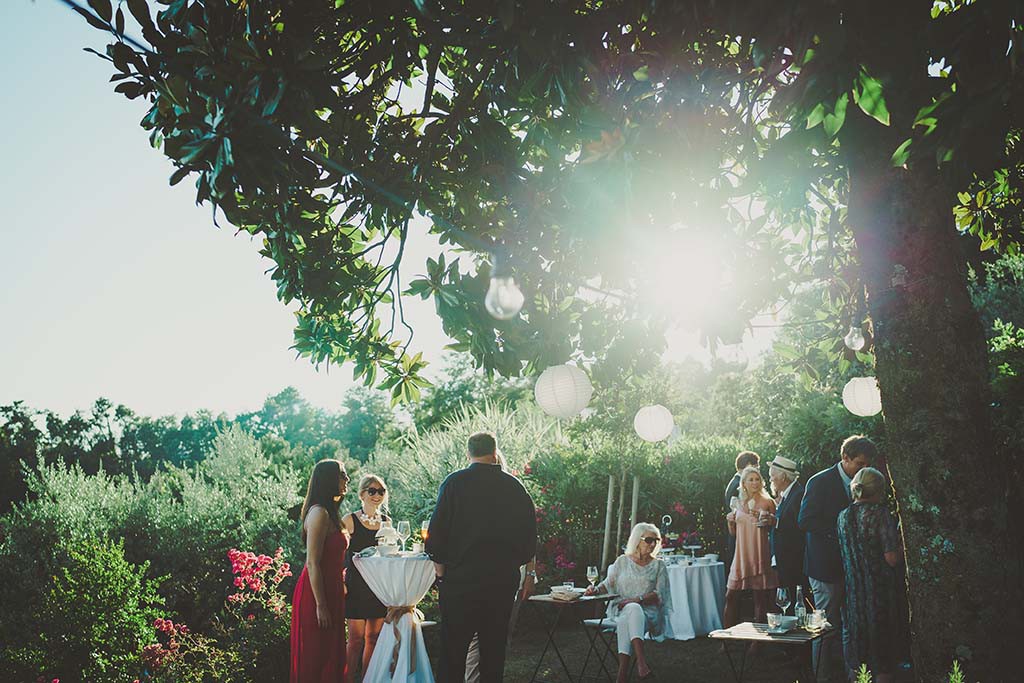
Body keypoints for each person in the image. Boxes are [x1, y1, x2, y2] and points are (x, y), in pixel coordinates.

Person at [426, 432, 537, 683]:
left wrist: (441, 570)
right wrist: (511, 563)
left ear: (468, 454)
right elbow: (529, 538)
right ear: (495, 453)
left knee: (453, 652)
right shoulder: (515, 487)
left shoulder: (453, 483)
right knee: (494, 652)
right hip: (500, 582)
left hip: (460, 581)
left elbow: (436, 533)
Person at [798, 435, 877, 680]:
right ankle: (822, 677)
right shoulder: (819, 482)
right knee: (823, 628)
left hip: (852, 569)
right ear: (845, 457)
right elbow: (805, 520)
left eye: (867, 465)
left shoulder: (865, 482)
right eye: (860, 464)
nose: (864, 470)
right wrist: (840, 531)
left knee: (851, 627)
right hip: (825, 569)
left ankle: (852, 676)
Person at [465, 452, 536, 683]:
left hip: (510, 573)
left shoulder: (514, 492)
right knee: (477, 634)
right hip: (482, 574)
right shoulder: (470, 492)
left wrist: (530, 575)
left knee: (501, 633)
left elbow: (529, 537)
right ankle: (473, 678)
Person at [838, 467, 903, 683]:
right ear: (880, 490)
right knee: (883, 656)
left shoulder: (843, 516)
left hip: (854, 594)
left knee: (860, 657)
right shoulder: (879, 514)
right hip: (879, 593)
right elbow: (891, 558)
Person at [585, 523, 671, 682]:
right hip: (621, 610)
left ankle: (623, 674)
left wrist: (636, 600)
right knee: (629, 613)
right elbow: (607, 584)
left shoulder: (659, 565)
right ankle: (641, 665)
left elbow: (659, 595)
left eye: (656, 540)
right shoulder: (622, 561)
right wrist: (595, 590)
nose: (653, 544)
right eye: (649, 540)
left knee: (632, 609)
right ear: (637, 540)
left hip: (647, 614)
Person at [290, 459, 350, 683]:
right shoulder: (319, 514)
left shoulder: (331, 512)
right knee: (316, 660)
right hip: (316, 595)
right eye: (342, 474)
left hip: (332, 590)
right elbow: (312, 563)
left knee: (331, 657)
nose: (347, 479)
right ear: (329, 479)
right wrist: (321, 605)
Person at [341, 474, 390, 681]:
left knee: (374, 638)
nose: (377, 495)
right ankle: (347, 679)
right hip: (356, 587)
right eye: (372, 491)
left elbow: (389, 555)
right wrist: (340, 582)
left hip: (378, 587)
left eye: (381, 491)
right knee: (355, 640)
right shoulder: (349, 520)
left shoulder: (387, 522)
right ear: (362, 494)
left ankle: (367, 679)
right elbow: (337, 555)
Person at [724, 466, 779, 636]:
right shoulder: (738, 503)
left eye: (757, 479)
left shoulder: (768, 502)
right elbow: (734, 533)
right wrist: (730, 522)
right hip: (741, 555)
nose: (755, 482)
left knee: (759, 600)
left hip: (760, 553)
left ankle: (757, 643)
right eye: (751, 480)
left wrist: (770, 520)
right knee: (730, 597)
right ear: (744, 483)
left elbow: (776, 528)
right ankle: (726, 638)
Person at [768, 456, 806, 610]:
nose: (771, 479)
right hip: (784, 558)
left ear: (783, 476)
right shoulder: (787, 494)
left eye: (772, 476)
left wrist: (774, 521)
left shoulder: (798, 494)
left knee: (793, 599)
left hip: (793, 559)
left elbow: (800, 525)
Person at [724, 451, 761, 572]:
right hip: (740, 538)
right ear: (748, 465)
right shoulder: (737, 486)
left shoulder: (736, 482)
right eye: (756, 466)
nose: (758, 469)